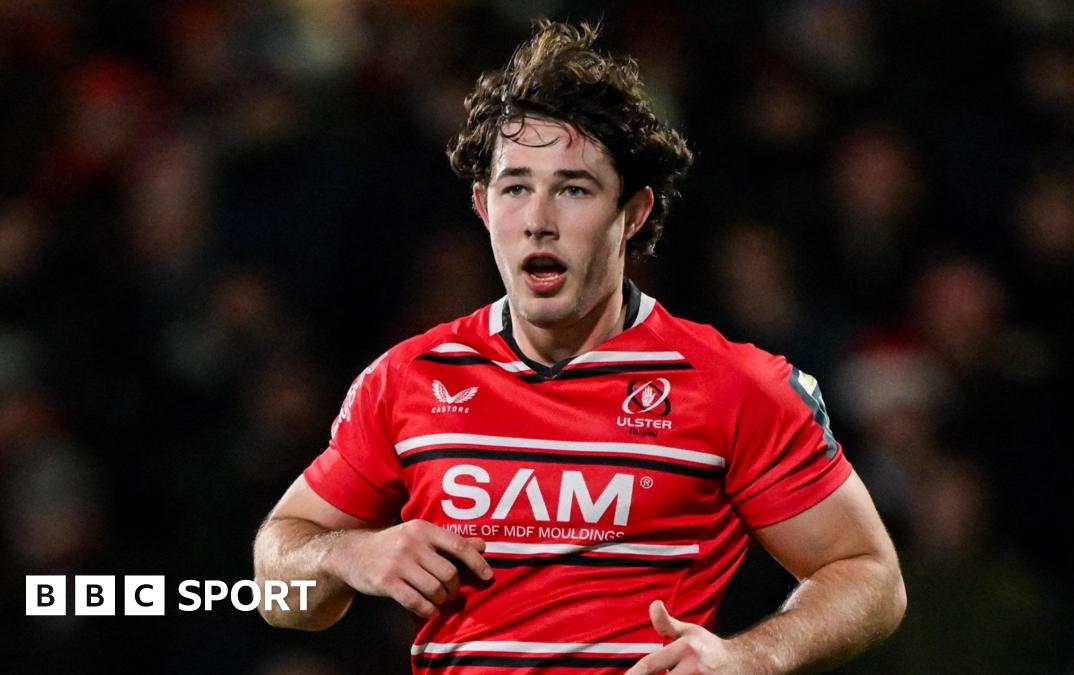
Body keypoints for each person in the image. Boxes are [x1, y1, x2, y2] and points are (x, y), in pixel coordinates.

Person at [253, 20, 906, 674]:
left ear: (634, 212)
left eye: (573, 189)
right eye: (515, 188)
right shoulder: (406, 379)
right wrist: (347, 554)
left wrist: (749, 659)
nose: (538, 220)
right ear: (483, 207)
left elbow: (870, 575)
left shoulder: (733, 385)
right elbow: (277, 583)